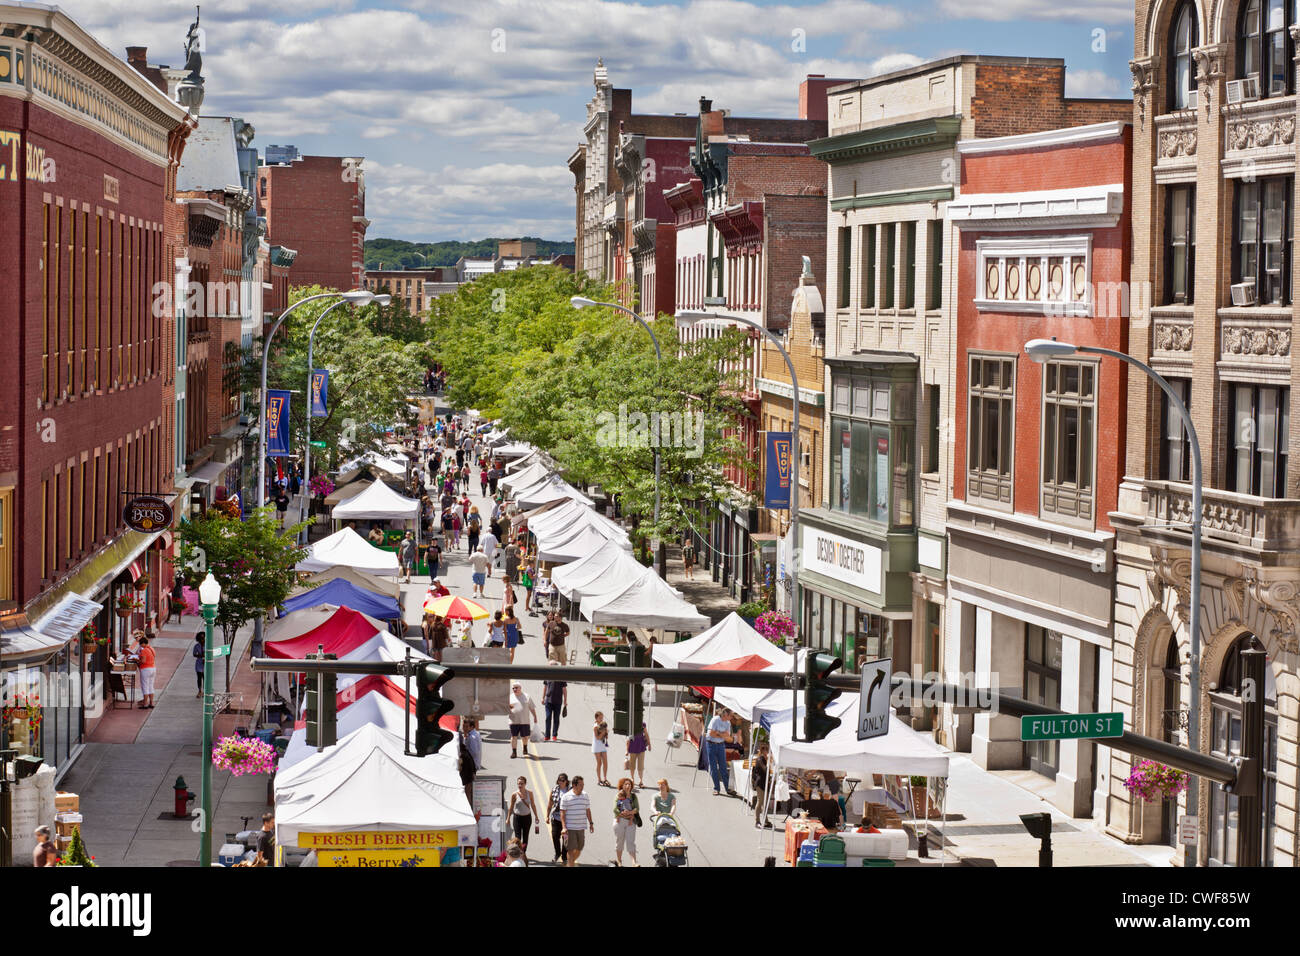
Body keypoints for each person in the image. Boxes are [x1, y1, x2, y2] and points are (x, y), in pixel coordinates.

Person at [560, 776, 595, 867]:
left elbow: (588, 810)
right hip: (569, 828)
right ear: (574, 785)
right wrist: (564, 827)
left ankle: (569, 863)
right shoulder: (566, 797)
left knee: (579, 848)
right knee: (570, 850)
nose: (582, 786)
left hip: (581, 827)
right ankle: (570, 864)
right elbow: (562, 814)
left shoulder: (585, 795)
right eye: (580, 784)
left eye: (583, 784)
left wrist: (591, 823)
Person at [506, 775, 541, 864]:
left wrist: (536, 816)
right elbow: (511, 807)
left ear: (525, 784)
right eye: (518, 784)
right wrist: (508, 818)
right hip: (517, 818)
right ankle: (518, 855)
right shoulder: (514, 794)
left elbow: (533, 805)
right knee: (517, 838)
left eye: (521, 783)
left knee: (525, 837)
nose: (520, 785)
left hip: (527, 817)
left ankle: (523, 854)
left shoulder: (530, 793)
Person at [705, 707, 734, 796]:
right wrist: (722, 735)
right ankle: (716, 788)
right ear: (726, 715)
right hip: (711, 745)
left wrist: (718, 733)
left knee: (723, 768)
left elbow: (728, 736)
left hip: (720, 745)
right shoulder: (715, 720)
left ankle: (727, 788)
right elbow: (711, 734)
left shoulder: (728, 723)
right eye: (731, 715)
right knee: (713, 768)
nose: (732, 717)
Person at [611, 777, 640, 866]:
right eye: (626, 784)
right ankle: (619, 861)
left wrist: (630, 812)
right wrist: (623, 813)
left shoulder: (634, 796)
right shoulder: (618, 795)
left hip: (630, 821)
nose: (628, 786)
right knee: (620, 841)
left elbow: (637, 808)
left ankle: (634, 863)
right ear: (622, 786)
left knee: (631, 842)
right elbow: (615, 809)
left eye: (629, 784)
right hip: (620, 820)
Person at [545, 773, 571, 863]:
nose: (560, 782)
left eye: (562, 780)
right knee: (555, 836)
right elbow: (550, 804)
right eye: (559, 780)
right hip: (556, 818)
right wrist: (547, 816)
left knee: (565, 839)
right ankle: (557, 853)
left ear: (566, 781)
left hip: (567, 820)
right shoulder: (555, 790)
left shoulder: (571, 791)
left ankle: (564, 857)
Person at [508, 682, 537, 758]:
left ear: (520, 688)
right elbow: (505, 708)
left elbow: (532, 707)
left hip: (524, 721)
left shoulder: (527, 696)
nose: (514, 689)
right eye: (513, 688)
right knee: (514, 736)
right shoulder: (510, 697)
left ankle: (525, 747)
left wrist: (535, 716)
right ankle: (514, 752)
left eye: (516, 688)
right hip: (513, 721)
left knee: (525, 737)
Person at [542, 661, 568, 741]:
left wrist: (565, 701)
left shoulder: (561, 676)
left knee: (556, 719)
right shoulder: (547, 675)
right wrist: (542, 698)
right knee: (548, 717)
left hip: (558, 701)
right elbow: (545, 687)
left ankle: (554, 735)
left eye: (550, 666)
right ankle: (547, 735)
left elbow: (564, 689)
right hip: (548, 701)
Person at [132, 633, 157, 708]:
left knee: (145, 686)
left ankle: (145, 703)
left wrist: (137, 660)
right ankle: (151, 703)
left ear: (143, 643)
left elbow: (143, 661)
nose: (140, 646)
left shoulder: (144, 650)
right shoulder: (152, 649)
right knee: (151, 686)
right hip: (153, 668)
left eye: (140, 644)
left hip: (145, 669)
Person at [751, 742, 773, 827]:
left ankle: (766, 821)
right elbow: (766, 769)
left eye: (768, 749)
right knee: (760, 802)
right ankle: (757, 821)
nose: (767, 751)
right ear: (762, 750)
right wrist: (769, 760)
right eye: (766, 749)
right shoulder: (760, 759)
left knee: (765, 803)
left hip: (765, 783)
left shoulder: (764, 759)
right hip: (760, 783)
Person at [625, 721, 651, 788]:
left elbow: (646, 734)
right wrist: (627, 750)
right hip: (632, 747)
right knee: (632, 765)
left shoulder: (643, 724)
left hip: (641, 747)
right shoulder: (630, 724)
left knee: (640, 766)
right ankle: (632, 779)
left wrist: (649, 744)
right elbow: (628, 738)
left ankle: (640, 781)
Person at [592, 711, 610, 786]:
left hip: (602, 746)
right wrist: (603, 732)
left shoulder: (603, 725)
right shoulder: (595, 726)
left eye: (602, 718)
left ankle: (605, 778)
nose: (601, 719)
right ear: (596, 718)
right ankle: (599, 779)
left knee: (605, 762)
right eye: (600, 718)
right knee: (599, 763)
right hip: (597, 746)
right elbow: (598, 737)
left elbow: (605, 737)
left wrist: (606, 733)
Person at [192, 631, 205, 698]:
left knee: (205, 678)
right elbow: (194, 654)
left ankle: (205, 691)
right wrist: (200, 655)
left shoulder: (208, 645)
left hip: (206, 663)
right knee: (199, 678)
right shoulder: (197, 646)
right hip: (199, 663)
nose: (202, 640)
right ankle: (200, 691)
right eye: (201, 638)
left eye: (203, 638)